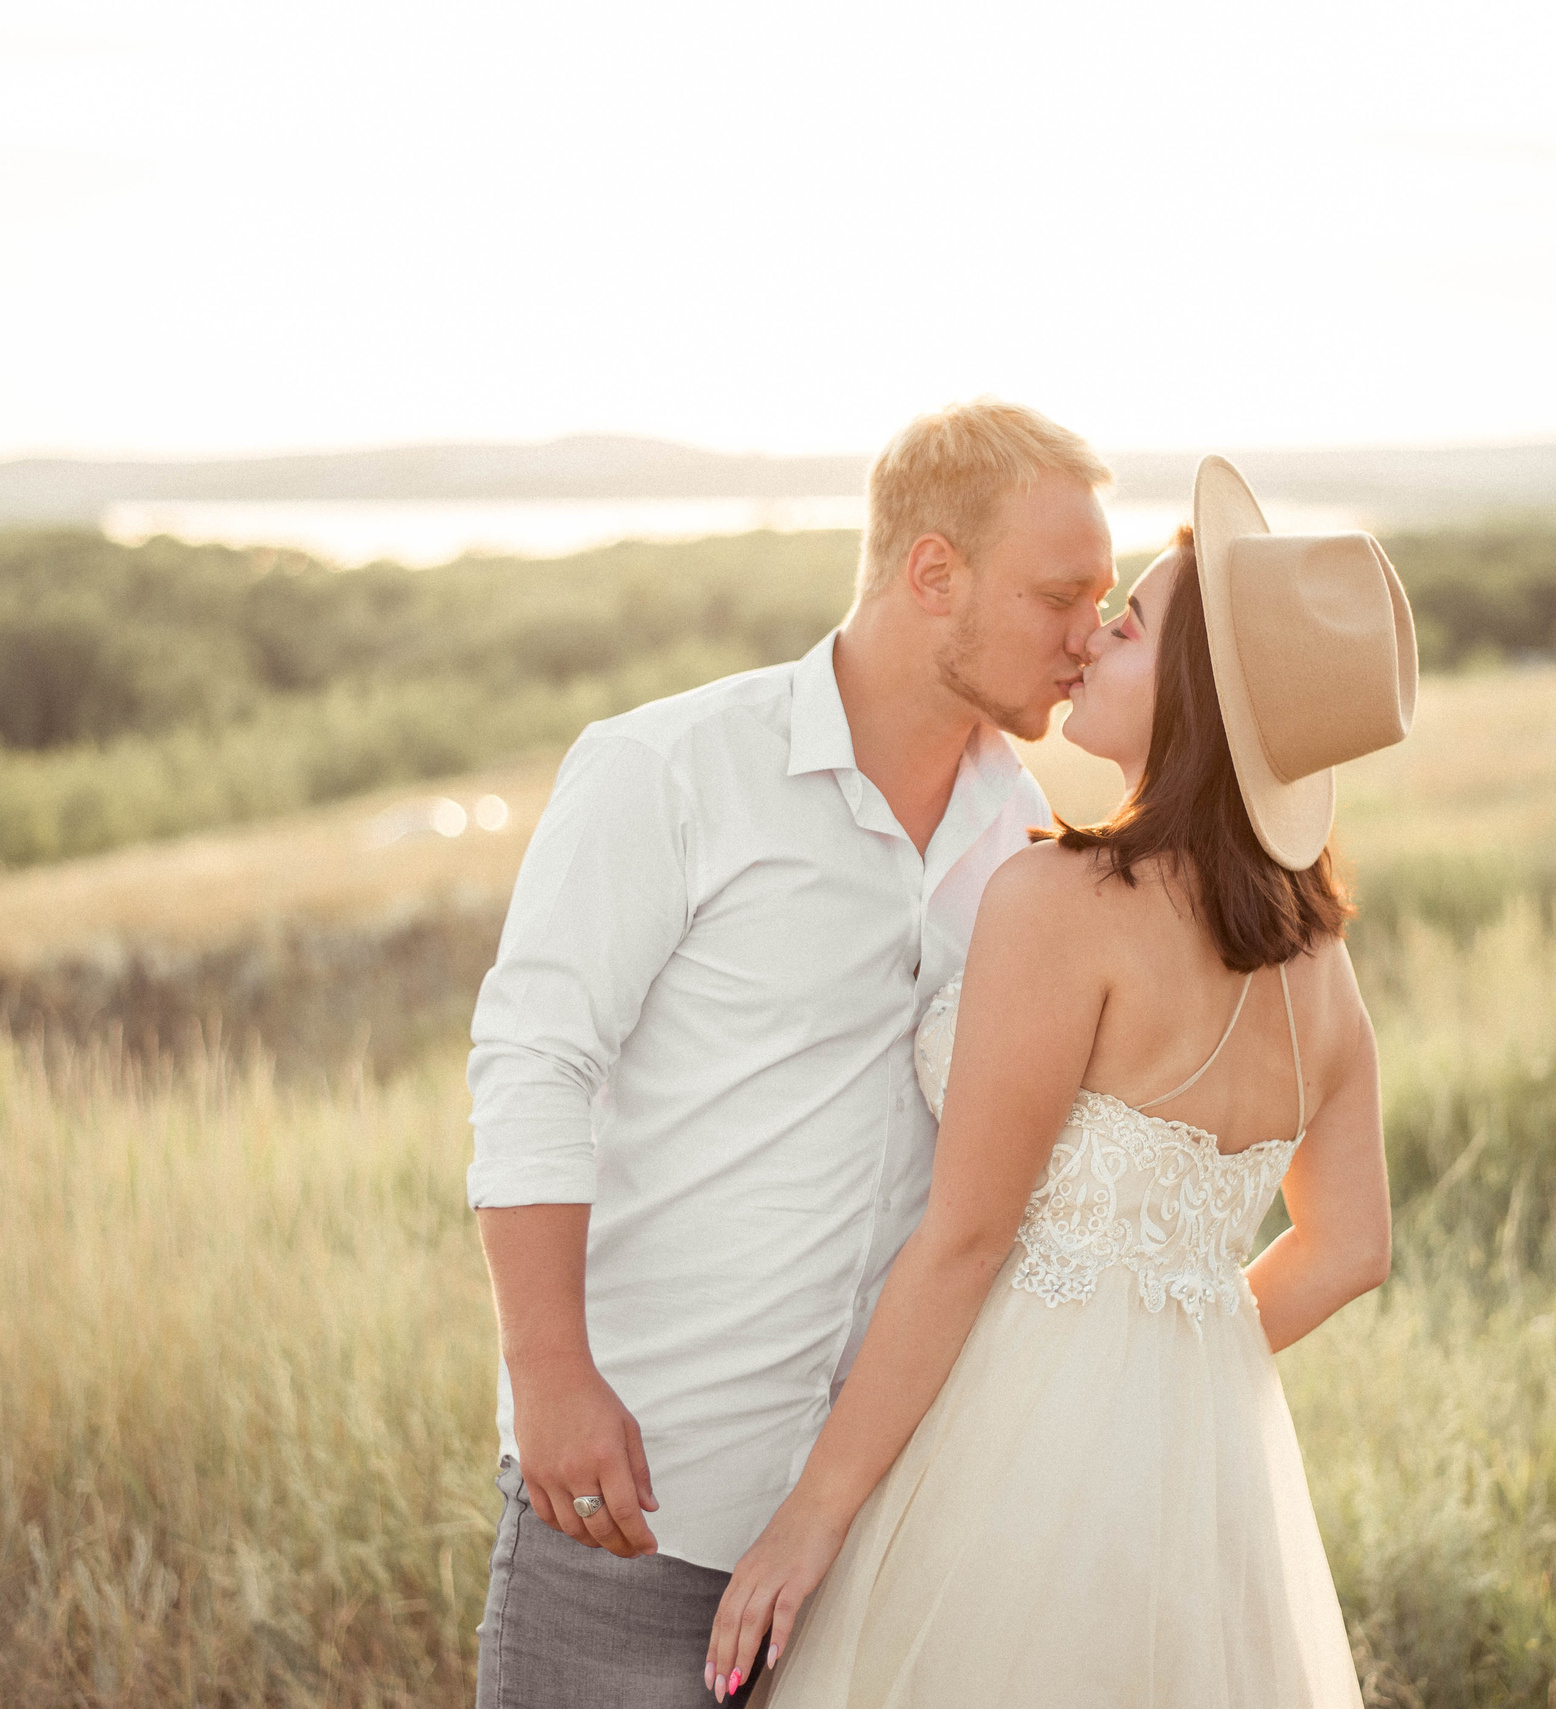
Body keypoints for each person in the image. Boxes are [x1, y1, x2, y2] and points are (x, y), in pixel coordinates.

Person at [705, 455, 1415, 1707]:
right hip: (1196, 1485)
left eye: (1128, 627)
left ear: (1194, 695)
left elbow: (967, 1237)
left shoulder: (1060, 902)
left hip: (1003, 1463)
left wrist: (810, 1515)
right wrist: (1158, 1360)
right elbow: (1349, 1245)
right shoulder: (1324, 965)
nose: (1090, 641)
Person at [463, 398, 1117, 1708]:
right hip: (638, 1510)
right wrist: (549, 1372)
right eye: (1060, 595)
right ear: (934, 573)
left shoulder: (1024, 833)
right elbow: (532, 1062)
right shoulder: (669, 771)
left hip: (879, 1532)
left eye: (1104, 601)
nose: (1088, 637)